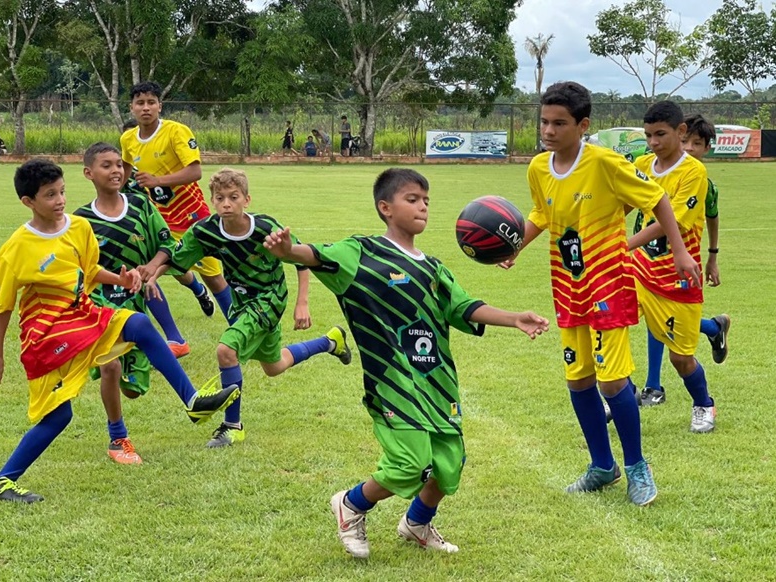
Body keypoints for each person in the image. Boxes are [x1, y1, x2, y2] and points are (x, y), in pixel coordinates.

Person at [263, 168, 549, 558]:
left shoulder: (434, 268)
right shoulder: (360, 252)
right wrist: (287, 252)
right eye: (412, 199)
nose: (422, 207)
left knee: (449, 467)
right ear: (385, 207)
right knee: (408, 464)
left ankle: (416, 524)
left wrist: (514, 317)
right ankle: (350, 504)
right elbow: (315, 255)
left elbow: (464, 306)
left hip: (437, 381)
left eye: (426, 201)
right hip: (392, 383)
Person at [0, 159, 240, 503]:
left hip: (84, 316)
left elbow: (89, 271)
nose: (59, 201)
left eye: (61, 192)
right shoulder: (16, 248)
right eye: (49, 196)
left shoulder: (77, 228)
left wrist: (121, 278)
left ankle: (192, 401)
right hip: (47, 335)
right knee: (59, 416)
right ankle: (1, 482)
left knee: (139, 323)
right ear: (28, 202)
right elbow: (4, 305)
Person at [502, 81, 701, 506]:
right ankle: (601, 466)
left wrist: (682, 253)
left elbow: (658, 199)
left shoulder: (605, 163)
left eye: (559, 123)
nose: (549, 131)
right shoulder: (538, 168)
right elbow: (540, 212)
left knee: (612, 383)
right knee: (579, 380)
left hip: (609, 283)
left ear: (583, 125)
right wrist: (517, 245)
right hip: (567, 285)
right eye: (544, 122)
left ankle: (636, 467)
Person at [141, 168, 354, 448]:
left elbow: (303, 258)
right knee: (274, 366)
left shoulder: (265, 228)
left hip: (270, 298)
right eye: (220, 198)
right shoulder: (205, 231)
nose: (226, 203)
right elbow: (178, 259)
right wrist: (154, 273)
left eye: (234, 197)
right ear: (212, 201)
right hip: (242, 302)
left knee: (226, 350)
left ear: (247, 199)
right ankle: (330, 342)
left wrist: (302, 303)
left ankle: (232, 426)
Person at [74, 142, 191, 464]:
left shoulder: (141, 206)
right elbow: (80, 269)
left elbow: (169, 244)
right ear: (88, 173)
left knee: (134, 389)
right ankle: (117, 438)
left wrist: (152, 269)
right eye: (106, 165)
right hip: (98, 306)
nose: (115, 171)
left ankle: (134, 384)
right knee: (109, 366)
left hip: (135, 307)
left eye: (118, 165)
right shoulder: (80, 221)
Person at [628, 101, 717, 433]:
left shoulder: (693, 172)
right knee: (608, 323)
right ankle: (617, 395)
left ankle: (704, 404)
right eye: (648, 135)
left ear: (681, 132)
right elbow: (620, 203)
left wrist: (623, 244)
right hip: (637, 269)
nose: (653, 143)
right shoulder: (641, 165)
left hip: (677, 278)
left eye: (660, 134)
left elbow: (674, 223)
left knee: (681, 359)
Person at [119, 81, 234, 327]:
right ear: (132, 108)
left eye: (151, 102)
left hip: (191, 216)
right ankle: (175, 338)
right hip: (158, 219)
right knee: (145, 270)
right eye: (140, 103)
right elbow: (124, 171)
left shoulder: (176, 132)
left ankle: (237, 326)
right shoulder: (128, 139)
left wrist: (156, 180)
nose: (146, 108)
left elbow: (195, 172)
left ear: (160, 106)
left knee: (213, 276)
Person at [117, 117, 191, 358]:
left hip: (170, 218)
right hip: (139, 222)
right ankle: (174, 338)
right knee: (141, 272)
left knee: (163, 269)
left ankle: (197, 295)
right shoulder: (121, 173)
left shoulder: (149, 166)